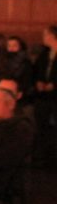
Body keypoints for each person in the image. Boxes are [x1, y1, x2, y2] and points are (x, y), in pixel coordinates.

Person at [32, 25, 57, 168]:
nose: (43, 38)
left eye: (45, 35)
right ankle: (41, 159)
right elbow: (37, 70)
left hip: (55, 97)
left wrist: (54, 85)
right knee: (41, 127)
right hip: (42, 97)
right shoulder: (45, 53)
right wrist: (38, 82)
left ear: (53, 36)